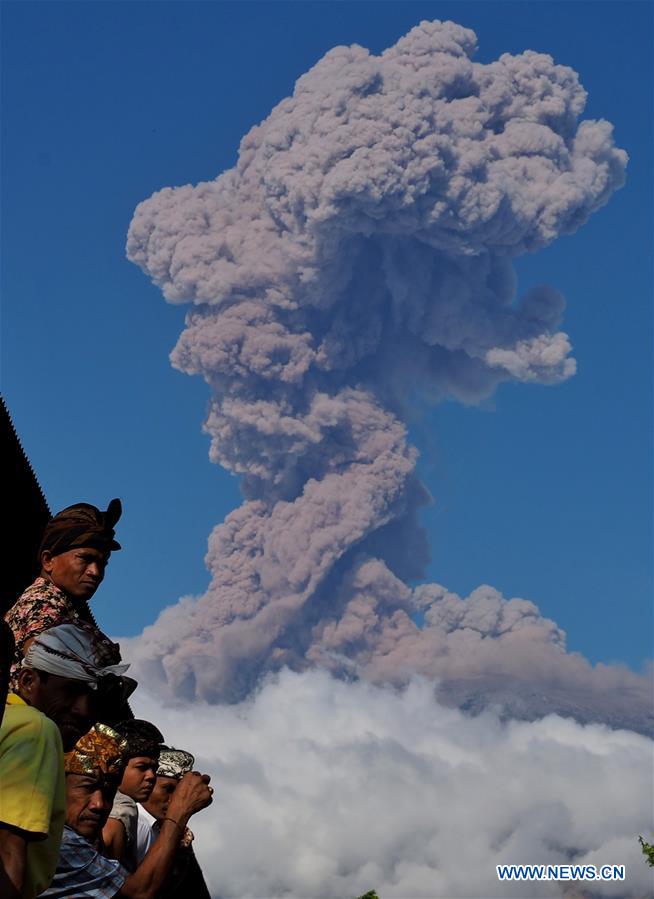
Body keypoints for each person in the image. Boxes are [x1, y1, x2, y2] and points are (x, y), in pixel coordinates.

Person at [0, 623, 132, 899]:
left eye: (94, 700)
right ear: (27, 681)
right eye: (71, 691)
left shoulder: (9, 718)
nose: (84, 710)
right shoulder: (36, 728)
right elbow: (8, 849)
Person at [42, 727, 214, 898]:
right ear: (58, 787)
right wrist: (178, 815)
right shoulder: (63, 839)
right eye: (87, 787)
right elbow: (137, 893)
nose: (99, 804)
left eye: (109, 793)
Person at [5, 499, 123, 685]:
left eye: (102, 564)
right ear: (48, 560)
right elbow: (46, 670)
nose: (95, 572)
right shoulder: (43, 602)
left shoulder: (61, 605)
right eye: (85, 558)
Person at [136, 748, 212, 898]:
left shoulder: (167, 830)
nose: (176, 800)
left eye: (180, 793)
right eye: (168, 789)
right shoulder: (137, 824)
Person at [103, 720, 164, 871]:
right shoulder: (122, 805)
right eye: (142, 767)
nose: (151, 776)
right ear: (117, 767)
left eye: (154, 769)